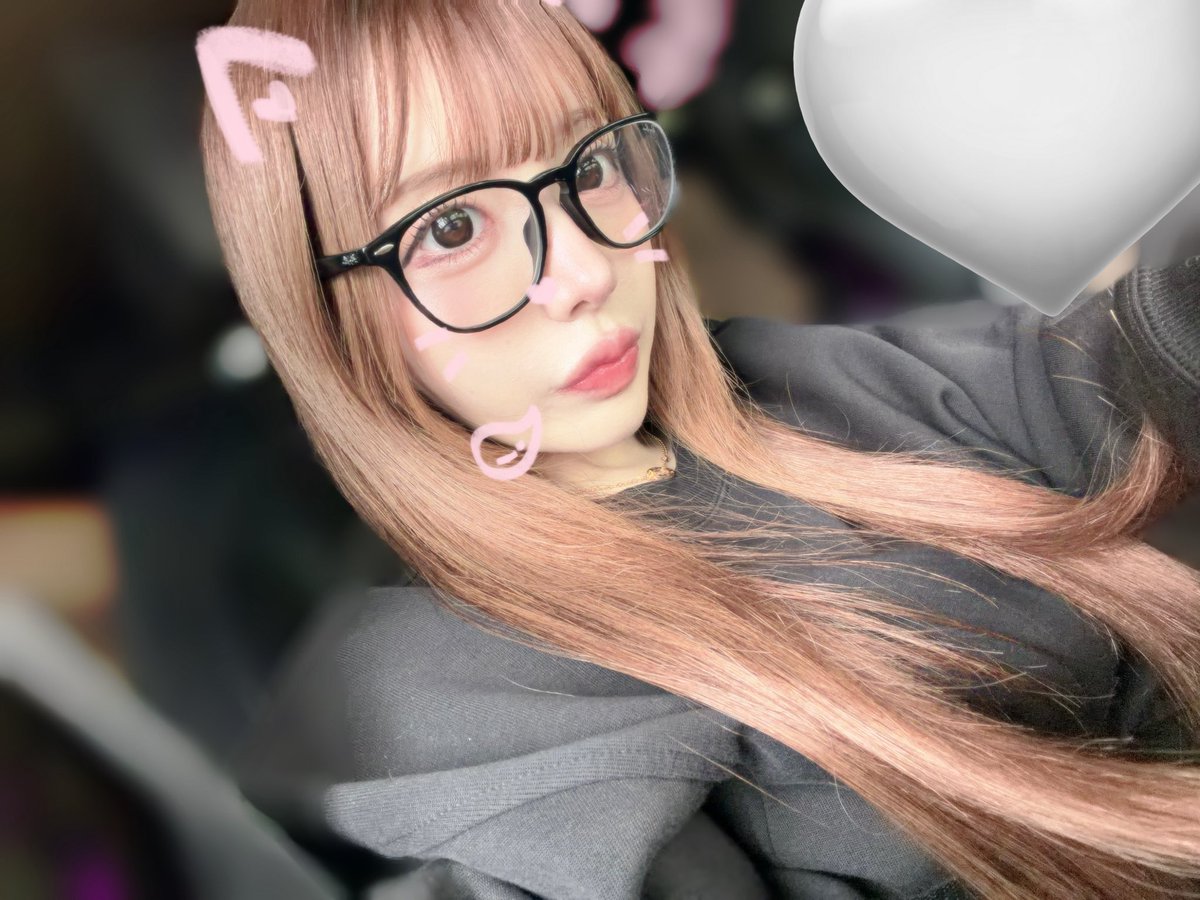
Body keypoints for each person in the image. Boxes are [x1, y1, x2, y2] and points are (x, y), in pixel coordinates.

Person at [199, 1, 1200, 897]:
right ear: (324, 311)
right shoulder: (448, 718)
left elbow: (1119, 367)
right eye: (454, 227)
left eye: (589, 168)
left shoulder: (796, 383)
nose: (586, 272)